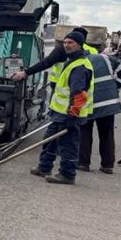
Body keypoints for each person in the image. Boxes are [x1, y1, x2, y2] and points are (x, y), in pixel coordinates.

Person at [30, 30, 93, 185]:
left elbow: (79, 94)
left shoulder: (80, 66)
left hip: (70, 114)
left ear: (78, 45)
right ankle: (44, 167)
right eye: (65, 42)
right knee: (50, 140)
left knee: (68, 144)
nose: (66, 45)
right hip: (60, 111)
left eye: (70, 43)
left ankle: (67, 174)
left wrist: (73, 114)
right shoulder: (71, 61)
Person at [79, 42, 121, 173]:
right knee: (107, 133)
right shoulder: (105, 58)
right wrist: (117, 84)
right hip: (108, 102)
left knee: (84, 132)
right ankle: (107, 165)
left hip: (89, 103)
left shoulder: (80, 62)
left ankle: (83, 163)